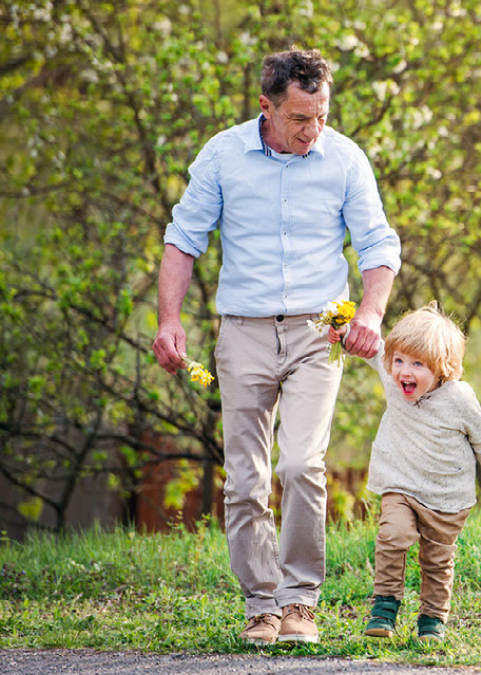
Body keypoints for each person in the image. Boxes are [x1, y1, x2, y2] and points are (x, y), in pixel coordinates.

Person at [151, 48, 401, 646]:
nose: (312, 131)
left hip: (319, 332)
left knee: (301, 464)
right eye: (298, 119)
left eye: (320, 116)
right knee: (245, 478)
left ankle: (301, 602)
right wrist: (168, 320)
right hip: (243, 331)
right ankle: (261, 605)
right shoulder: (223, 155)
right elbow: (183, 241)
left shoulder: (344, 158)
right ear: (265, 107)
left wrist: (370, 311)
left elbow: (378, 244)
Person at [328, 303, 481, 641]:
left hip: (446, 497)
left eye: (418, 364)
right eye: (400, 360)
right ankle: (385, 606)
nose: (404, 371)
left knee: (437, 560)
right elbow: (372, 347)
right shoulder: (394, 377)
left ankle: (432, 619)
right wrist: (345, 332)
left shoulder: (459, 398)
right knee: (392, 535)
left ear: (442, 368)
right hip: (400, 483)